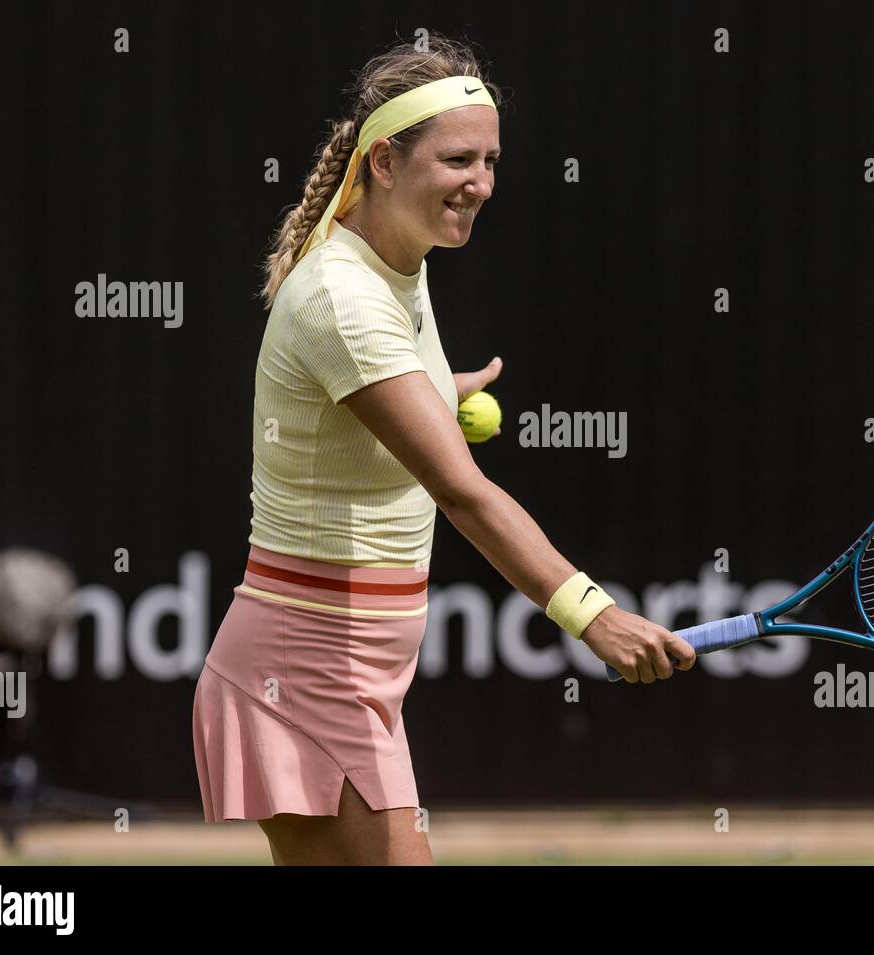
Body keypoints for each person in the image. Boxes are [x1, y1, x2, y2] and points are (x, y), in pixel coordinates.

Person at [191, 34, 696, 866]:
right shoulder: (343, 298)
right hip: (305, 669)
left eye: (491, 160)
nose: (482, 184)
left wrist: (430, 389)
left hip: (347, 669)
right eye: (458, 159)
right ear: (384, 162)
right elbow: (462, 492)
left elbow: (358, 402)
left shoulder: (399, 261)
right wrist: (592, 615)